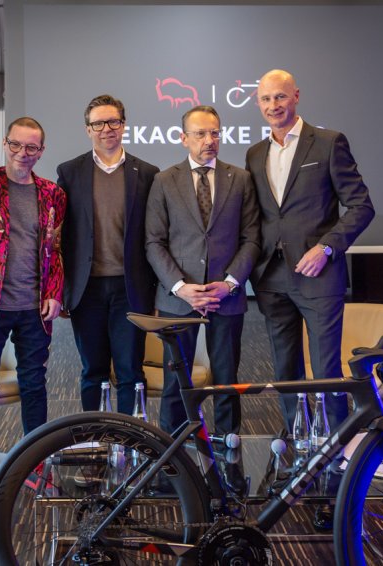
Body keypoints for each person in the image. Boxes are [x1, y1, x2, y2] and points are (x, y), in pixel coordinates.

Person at [245, 69, 374, 529]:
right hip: (272, 278)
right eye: (266, 99)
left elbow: (361, 205)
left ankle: (337, 467)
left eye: (280, 96)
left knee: (326, 370)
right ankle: (300, 450)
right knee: (284, 370)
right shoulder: (255, 152)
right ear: (258, 104)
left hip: (319, 275)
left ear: (296, 96)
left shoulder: (329, 142)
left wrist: (327, 248)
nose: (274, 105)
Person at [0, 117, 66, 510]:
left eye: (32, 147)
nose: (23, 153)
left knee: (34, 384)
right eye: (16, 145)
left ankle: (36, 463)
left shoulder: (53, 193)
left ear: (41, 151)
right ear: (5, 143)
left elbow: (55, 248)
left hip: (33, 307)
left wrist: (55, 292)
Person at [146, 105, 260, 437]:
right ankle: (172, 447)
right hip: (179, 300)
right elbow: (153, 242)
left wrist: (229, 283)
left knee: (226, 380)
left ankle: (228, 446)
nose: (209, 140)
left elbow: (252, 238)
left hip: (226, 298)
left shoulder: (240, 179)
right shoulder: (164, 181)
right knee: (175, 381)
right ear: (184, 138)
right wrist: (180, 286)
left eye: (214, 133)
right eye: (200, 134)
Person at [57, 94, 159, 415]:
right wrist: (62, 289)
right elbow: (62, 235)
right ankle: (95, 435)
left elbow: (154, 236)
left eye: (113, 122)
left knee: (131, 371)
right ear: (88, 129)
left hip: (130, 289)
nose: (107, 129)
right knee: (93, 371)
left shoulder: (147, 173)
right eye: (98, 123)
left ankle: (131, 437)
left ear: (124, 125)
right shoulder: (70, 172)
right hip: (86, 290)